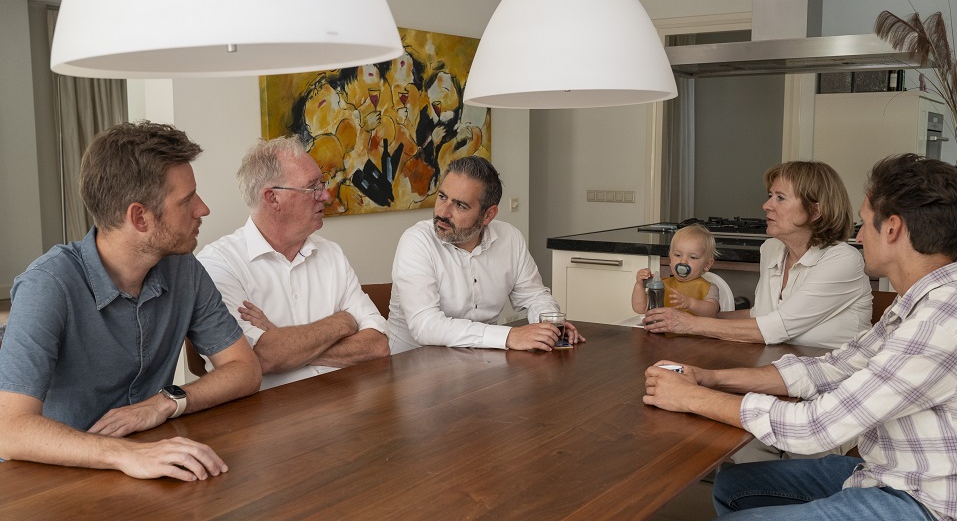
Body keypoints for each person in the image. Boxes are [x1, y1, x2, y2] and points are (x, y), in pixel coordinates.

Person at [643, 154, 957, 520]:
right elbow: (832, 366)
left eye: (864, 223)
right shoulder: (922, 303)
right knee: (736, 485)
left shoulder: (941, 322)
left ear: (891, 228)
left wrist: (693, 397)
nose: (858, 237)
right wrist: (711, 377)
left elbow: (815, 427)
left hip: (938, 504)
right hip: (895, 473)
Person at [0, 122, 261, 481]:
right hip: (52, 480)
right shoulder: (47, 285)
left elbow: (244, 370)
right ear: (139, 217)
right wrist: (125, 454)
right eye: (187, 201)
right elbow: (9, 430)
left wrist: (164, 402)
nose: (203, 209)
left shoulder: (184, 270)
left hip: (151, 462)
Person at [197, 137, 390, 390]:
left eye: (322, 183)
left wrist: (282, 339)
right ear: (273, 198)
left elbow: (378, 345)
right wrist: (342, 322)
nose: (326, 195)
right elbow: (262, 358)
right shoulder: (218, 265)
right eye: (312, 188)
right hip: (263, 418)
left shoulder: (330, 253)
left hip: (342, 405)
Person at [643, 161, 871, 350]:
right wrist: (675, 318)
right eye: (770, 195)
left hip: (836, 376)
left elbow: (777, 327)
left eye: (780, 197)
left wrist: (690, 324)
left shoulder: (843, 260)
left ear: (815, 211)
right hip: (781, 366)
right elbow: (759, 315)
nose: (766, 205)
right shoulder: (772, 249)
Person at [387, 156, 584, 354]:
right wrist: (508, 336)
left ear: (489, 215)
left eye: (460, 205)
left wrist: (549, 326)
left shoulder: (510, 238)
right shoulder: (416, 241)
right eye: (442, 197)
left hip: (481, 361)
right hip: (412, 367)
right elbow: (425, 326)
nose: (444, 212)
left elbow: (535, 296)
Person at [632, 224, 720, 317]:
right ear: (670, 260)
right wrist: (639, 285)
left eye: (693, 257)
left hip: (694, 331)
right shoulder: (661, 285)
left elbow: (712, 312)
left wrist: (690, 304)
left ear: (707, 264)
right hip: (662, 330)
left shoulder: (709, 288)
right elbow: (640, 308)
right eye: (678, 255)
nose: (683, 261)